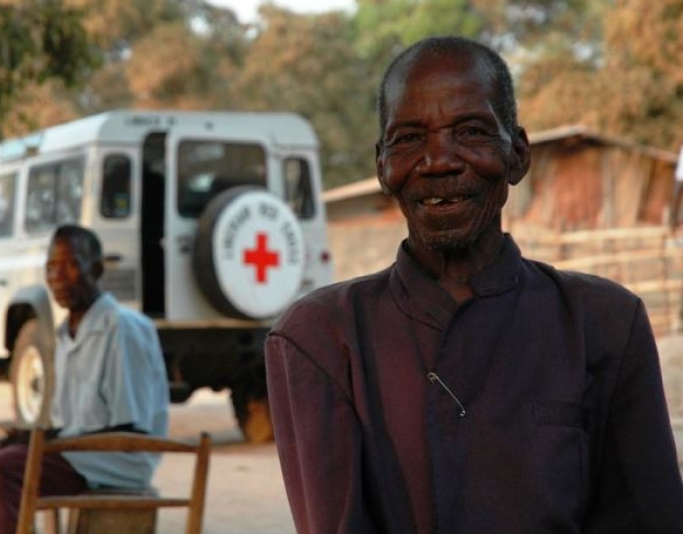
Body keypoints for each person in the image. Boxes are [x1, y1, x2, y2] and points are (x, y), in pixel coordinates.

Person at [265, 35, 683, 533]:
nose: (439, 160)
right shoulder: (321, 338)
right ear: (382, 167)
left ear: (518, 155)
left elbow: (648, 518)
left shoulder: (604, 323)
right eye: (409, 139)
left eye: (471, 132)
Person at [0, 225, 169, 534]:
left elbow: (129, 429)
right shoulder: (64, 336)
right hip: (75, 453)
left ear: (95, 268)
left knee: (5, 468)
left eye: (70, 265)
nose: (57, 276)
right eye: (51, 267)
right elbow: (68, 425)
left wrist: (47, 442)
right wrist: (31, 437)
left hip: (115, 461)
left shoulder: (122, 327)